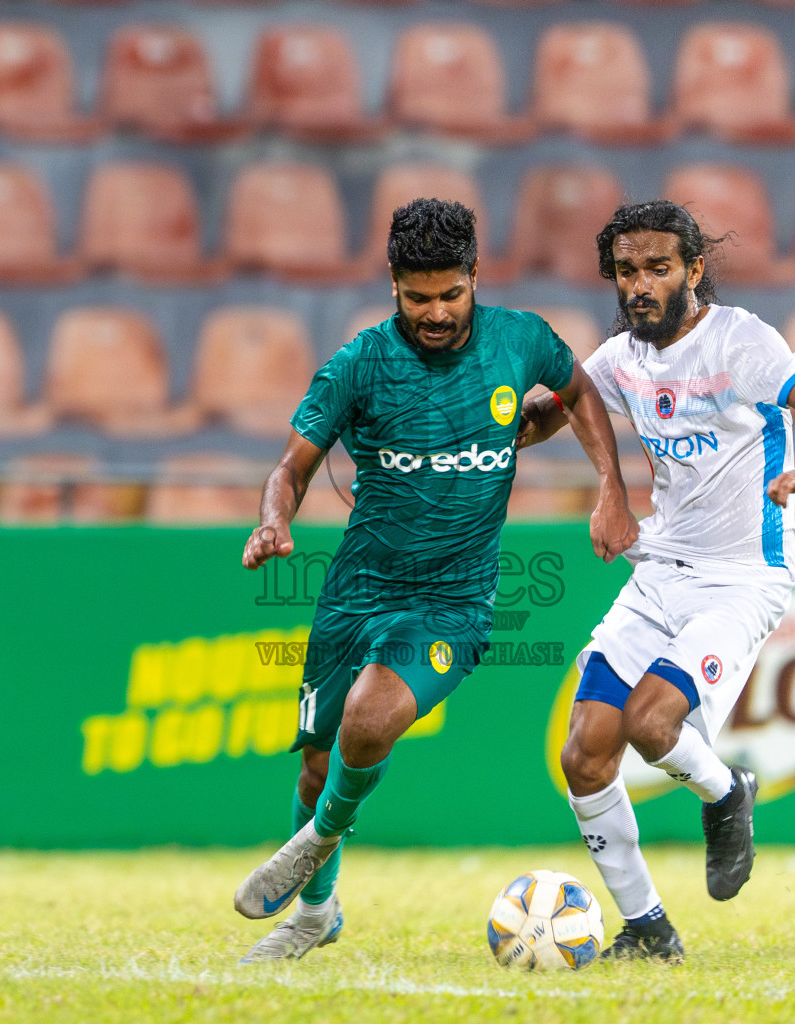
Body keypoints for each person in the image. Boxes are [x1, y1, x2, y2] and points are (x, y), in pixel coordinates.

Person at [232, 198, 639, 962]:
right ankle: (316, 913)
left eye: (451, 293)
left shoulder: (520, 340)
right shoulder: (358, 365)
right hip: (356, 592)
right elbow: (290, 468)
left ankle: (318, 838)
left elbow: (579, 390)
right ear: (393, 283)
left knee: (368, 719)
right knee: (318, 763)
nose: (437, 312)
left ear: (476, 274)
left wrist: (610, 486)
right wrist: (272, 521)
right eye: (419, 298)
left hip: (453, 603)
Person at [516, 200, 795, 963]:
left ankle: (727, 791)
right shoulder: (622, 357)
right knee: (584, 754)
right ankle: (647, 928)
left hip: (743, 577)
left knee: (651, 723)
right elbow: (556, 408)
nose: (640, 285)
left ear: (694, 269)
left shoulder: (741, 341)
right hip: (660, 572)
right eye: (626, 271)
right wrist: (474, 432)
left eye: (658, 268)